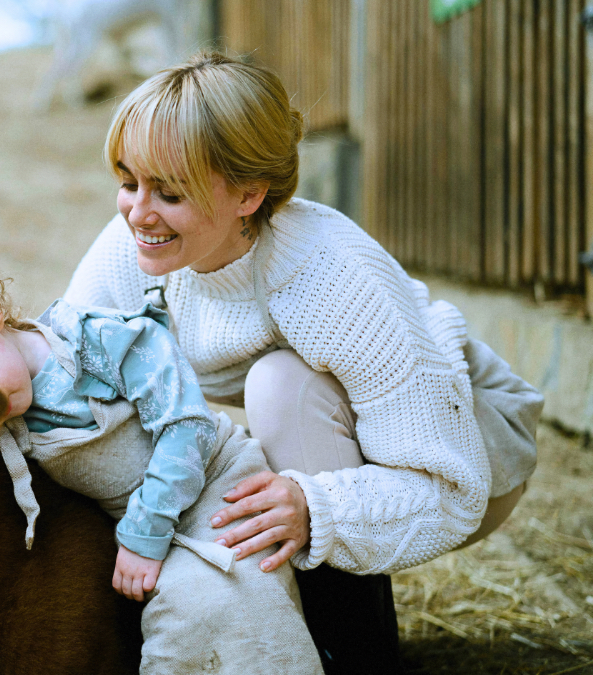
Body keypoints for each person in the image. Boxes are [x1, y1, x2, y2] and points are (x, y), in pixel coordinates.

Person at [64, 50, 544, 674]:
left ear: (249, 194)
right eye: (129, 182)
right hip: (343, 436)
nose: (138, 212)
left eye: (170, 192)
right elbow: (68, 358)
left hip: (460, 444)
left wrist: (316, 508)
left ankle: (355, 654)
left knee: (280, 387)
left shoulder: (328, 274)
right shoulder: (136, 243)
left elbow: (449, 487)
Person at [0, 261, 324, 674]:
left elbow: (186, 428)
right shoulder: (2, 413)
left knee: (201, 604)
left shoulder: (96, 341)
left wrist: (143, 535)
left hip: (217, 486)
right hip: (145, 519)